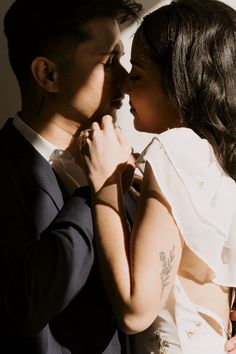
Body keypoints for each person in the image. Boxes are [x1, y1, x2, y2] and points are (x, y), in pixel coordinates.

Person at [79, 0, 236, 353]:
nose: (126, 88)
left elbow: (136, 311)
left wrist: (105, 188)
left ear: (180, 83)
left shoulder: (175, 149)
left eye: (137, 74)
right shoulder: (217, 161)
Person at [0, 0, 142, 353]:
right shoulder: (3, 170)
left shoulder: (121, 165)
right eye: (109, 62)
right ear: (48, 74)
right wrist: (95, 190)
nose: (126, 80)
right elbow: (22, 304)